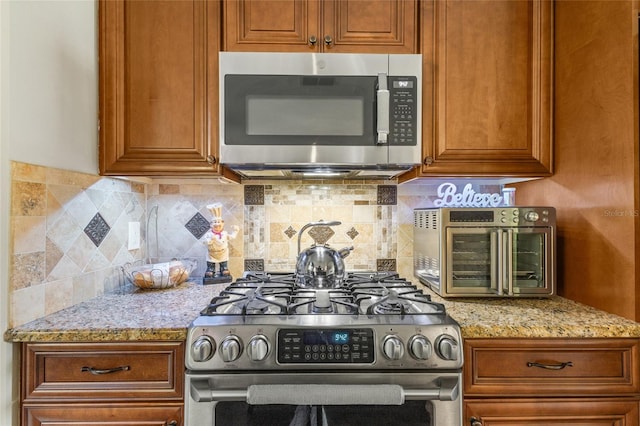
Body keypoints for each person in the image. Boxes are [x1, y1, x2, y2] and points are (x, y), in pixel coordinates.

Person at [204, 203, 239, 279]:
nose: (217, 224)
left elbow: (232, 237)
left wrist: (235, 231)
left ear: (223, 224)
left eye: (219, 222)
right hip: (212, 254)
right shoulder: (209, 234)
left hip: (223, 253)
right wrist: (210, 240)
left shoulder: (225, 233)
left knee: (224, 265)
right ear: (211, 225)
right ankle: (211, 269)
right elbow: (205, 242)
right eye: (215, 222)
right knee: (210, 265)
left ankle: (224, 268)